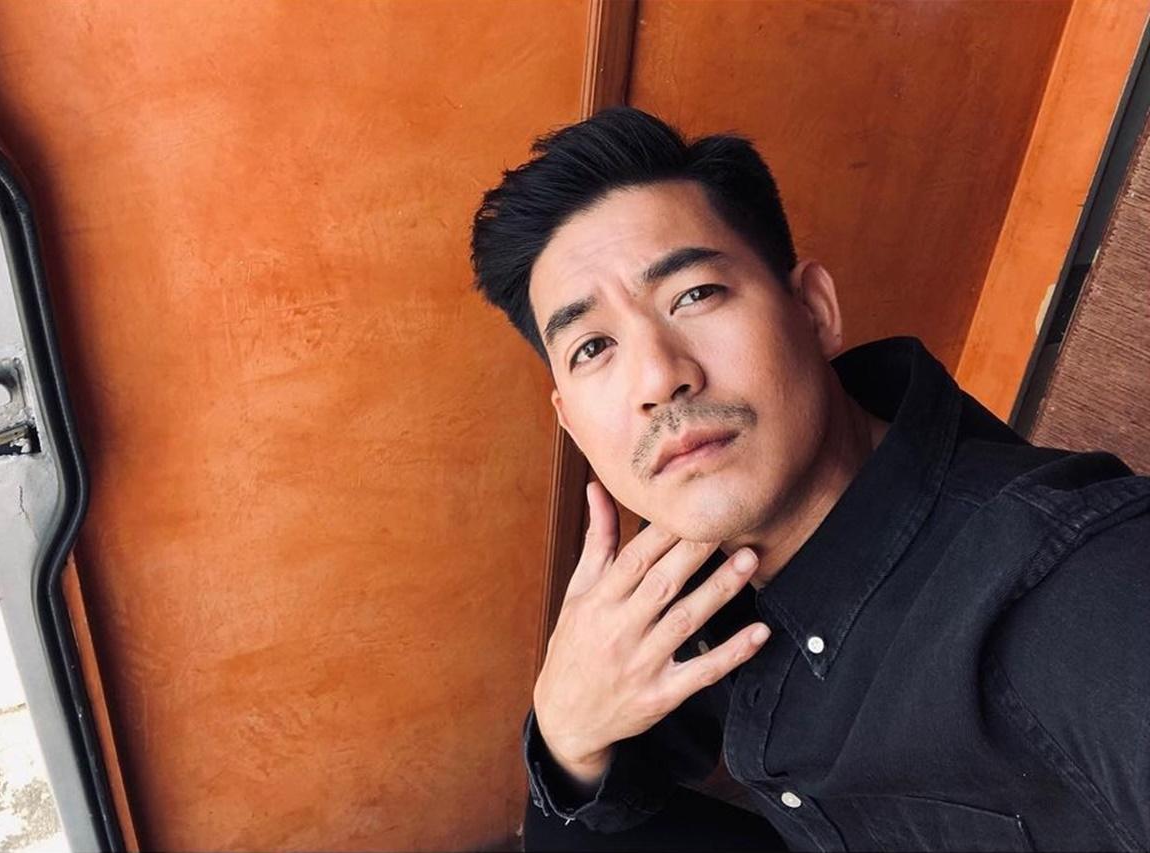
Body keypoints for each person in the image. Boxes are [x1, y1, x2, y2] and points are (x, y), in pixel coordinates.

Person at [468, 107, 1150, 851]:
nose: (659, 378)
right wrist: (565, 734)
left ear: (815, 311)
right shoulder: (705, 574)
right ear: (572, 424)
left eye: (694, 295)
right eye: (593, 346)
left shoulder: (1082, 592)